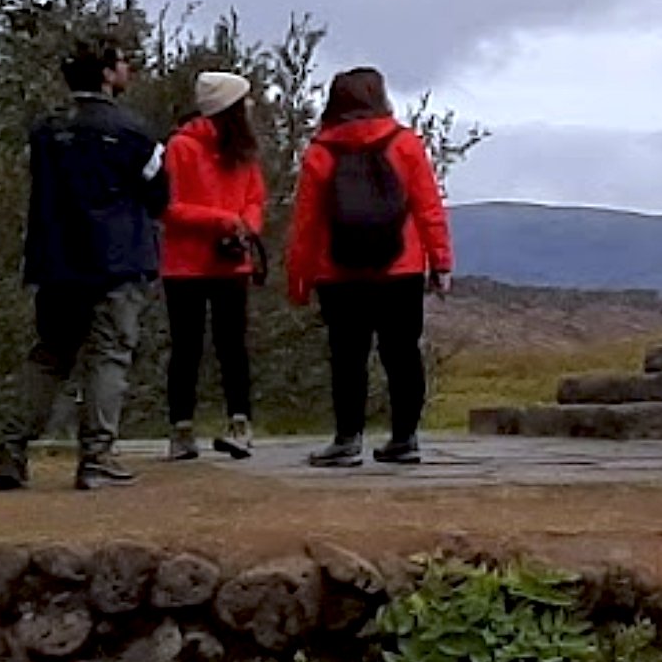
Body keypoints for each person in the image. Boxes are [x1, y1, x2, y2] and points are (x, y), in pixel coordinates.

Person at [0, 38, 169, 491]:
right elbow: (160, 195)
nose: (128, 69)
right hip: (117, 259)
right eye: (123, 63)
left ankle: (12, 451)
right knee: (109, 356)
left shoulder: (44, 131)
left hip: (56, 260)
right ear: (108, 74)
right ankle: (96, 455)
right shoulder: (134, 133)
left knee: (49, 355)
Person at [287, 65, 453, 467]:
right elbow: (429, 207)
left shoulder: (321, 151)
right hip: (401, 266)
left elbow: (306, 223)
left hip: (338, 270)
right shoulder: (405, 144)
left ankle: (347, 440)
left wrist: (299, 278)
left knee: (347, 355)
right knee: (401, 353)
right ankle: (405, 437)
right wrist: (441, 262)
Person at [161, 69, 268, 462]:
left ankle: (240, 422)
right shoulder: (181, 148)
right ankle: (180, 427)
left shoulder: (243, 152)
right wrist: (223, 220)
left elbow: (255, 197)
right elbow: (169, 208)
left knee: (233, 346)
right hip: (186, 264)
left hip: (231, 261)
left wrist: (248, 227)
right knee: (187, 347)